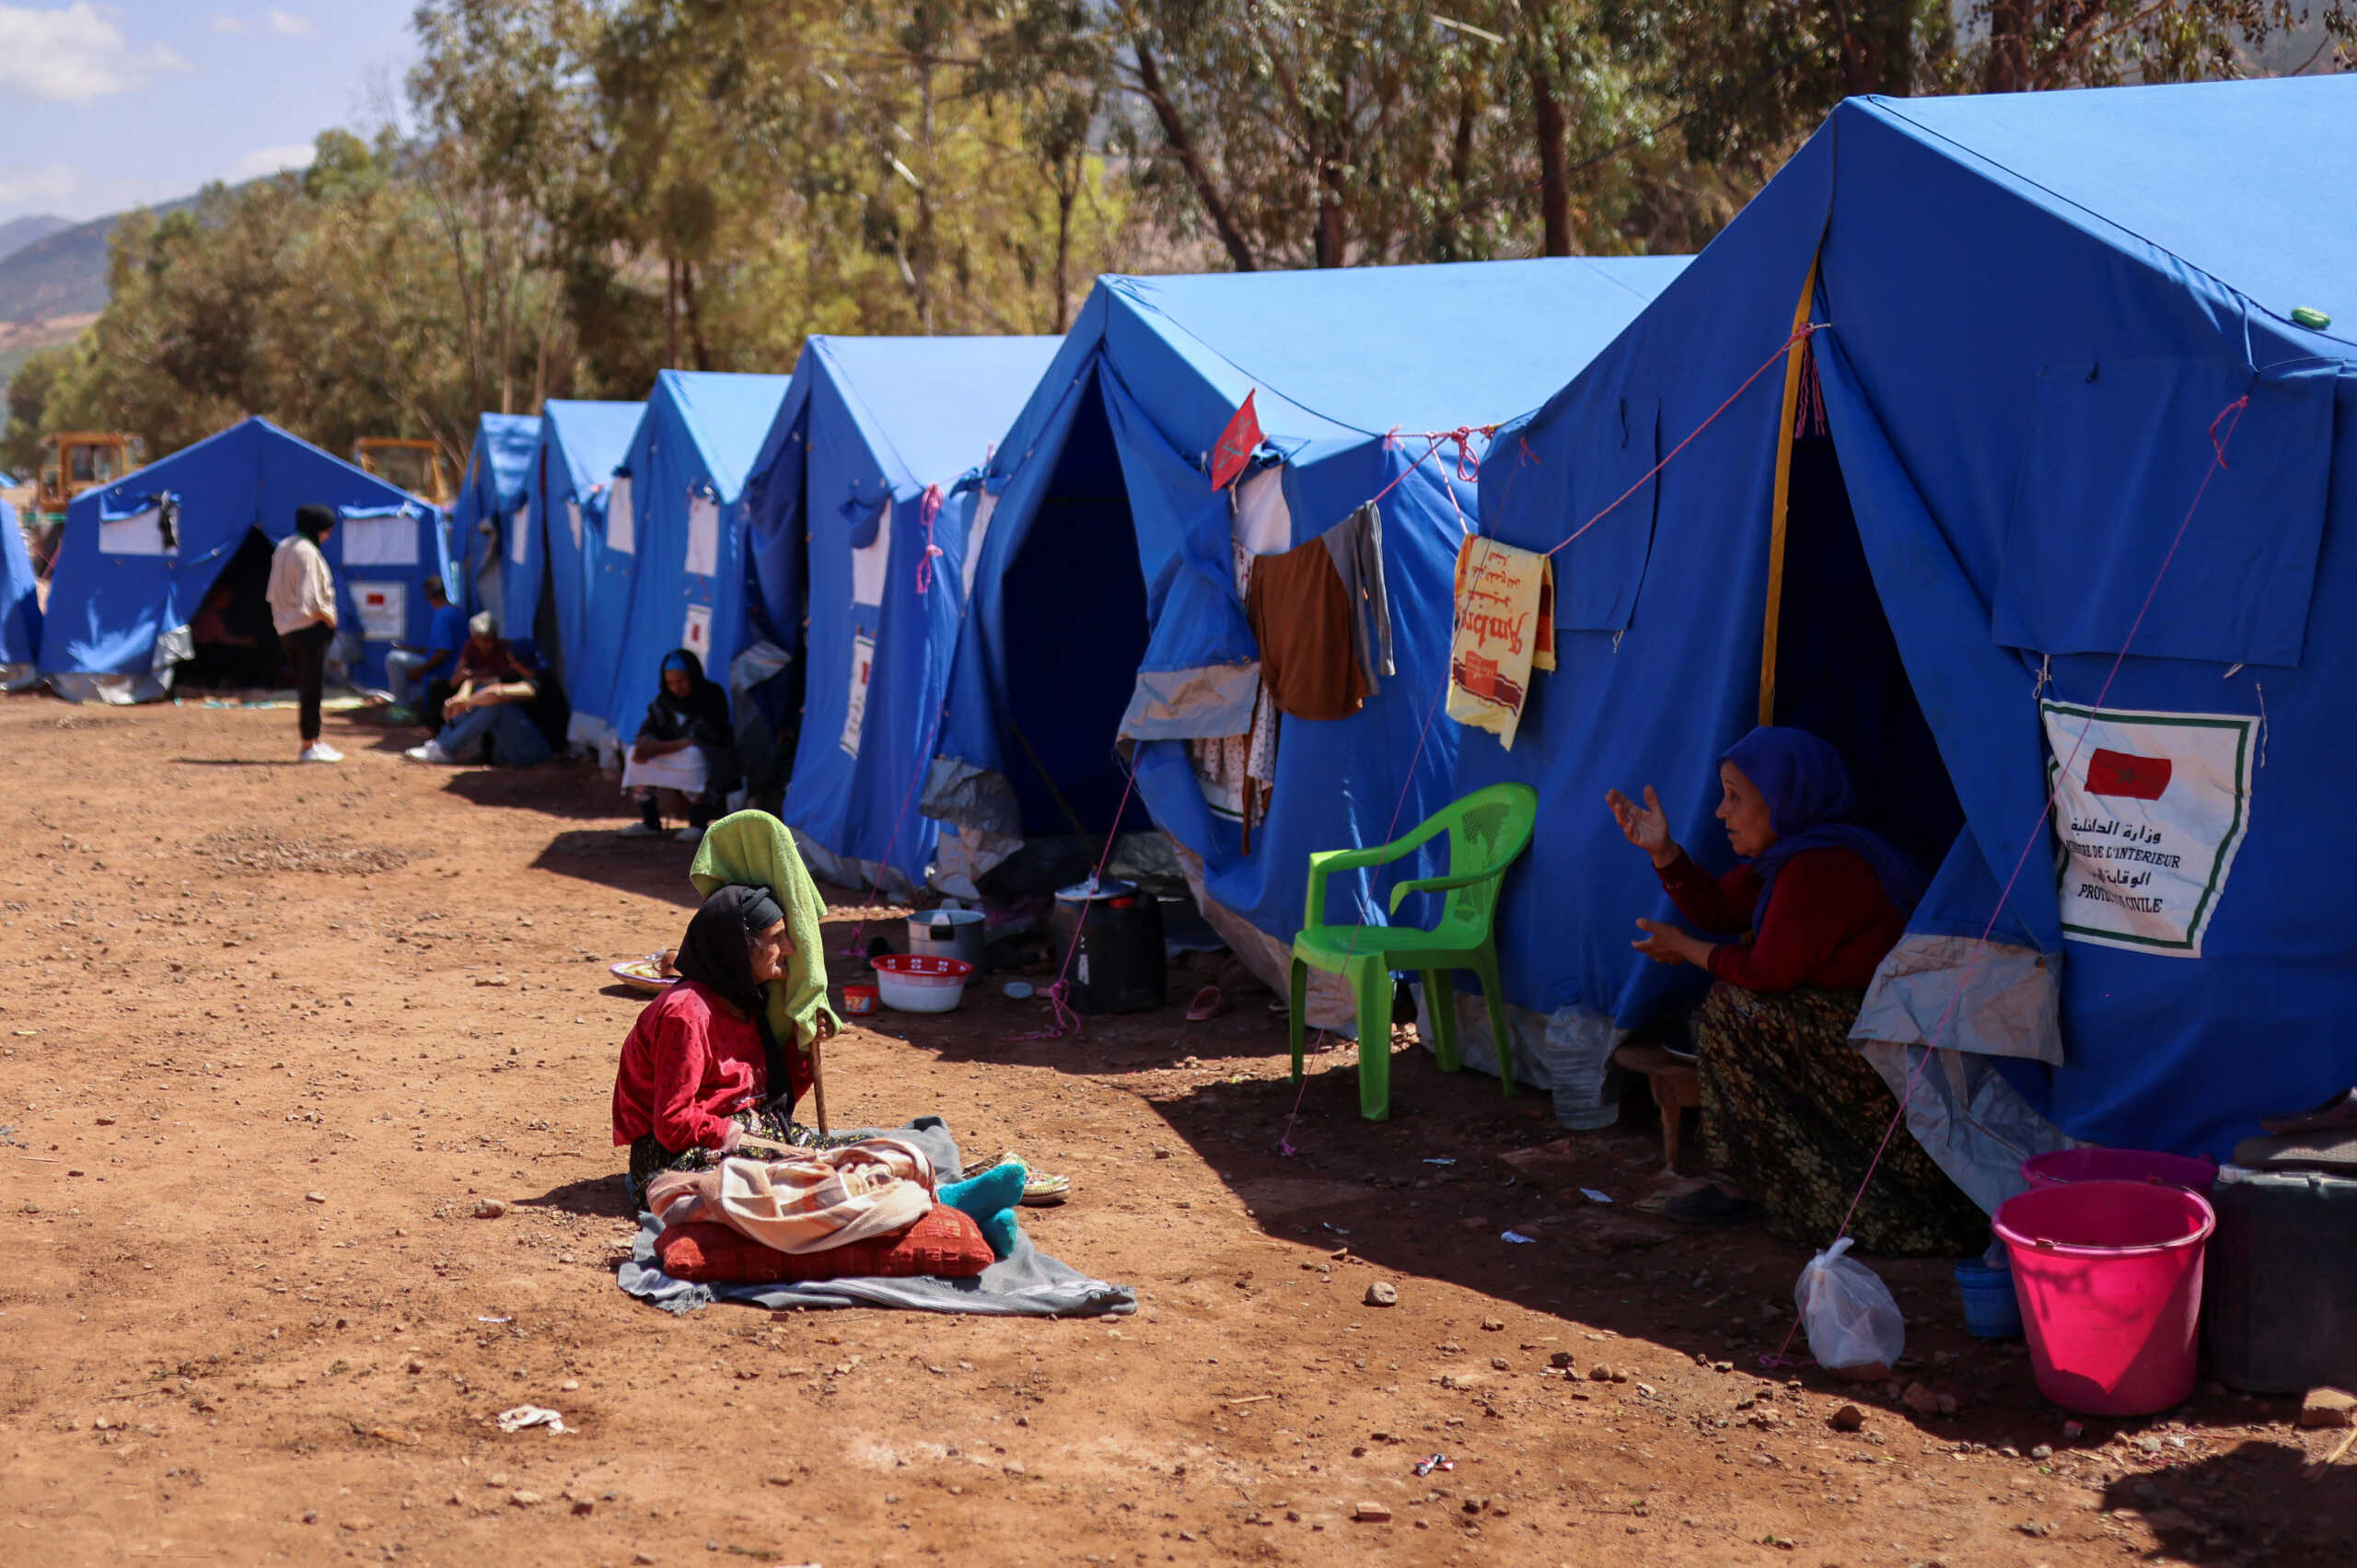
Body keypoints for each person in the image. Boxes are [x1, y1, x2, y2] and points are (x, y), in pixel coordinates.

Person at [1606, 726, 1985, 1254]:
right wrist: (1665, 852)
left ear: (1785, 799)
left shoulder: (1821, 868)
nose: (1721, 812)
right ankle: (1747, 1180)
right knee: (1730, 1007)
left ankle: (1760, 1186)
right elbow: (1719, 909)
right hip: (1846, 1027)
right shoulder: (1786, 859)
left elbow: (1768, 973)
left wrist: (1686, 948)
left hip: (1881, 1046)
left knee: (1733, 1007)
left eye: (1736, 797)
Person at [611, 883, 841, 1200]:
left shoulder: (747, 1002)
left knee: (852, 1163)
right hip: (676, 1155)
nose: (789, 948)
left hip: (744, 1133)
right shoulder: (686, 1015)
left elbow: (767, 1095)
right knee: (807, 1186)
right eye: (776, 938)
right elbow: (672, 1123)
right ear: (739, 949)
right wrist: (743, 1137)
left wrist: (804, 1044)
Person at [620, 648, 737, 843]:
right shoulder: (663, 702)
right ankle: (650, 823)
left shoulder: (711, 696)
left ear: (692, 675)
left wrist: (657, 748)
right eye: (670, 683)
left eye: (681, 681)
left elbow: (701, 737)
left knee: (693, 755)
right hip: (671, 751)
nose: (675, 688)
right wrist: (645, 744)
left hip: (711, 755)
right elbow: (648, 729)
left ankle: (698, 824)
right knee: (633, 753)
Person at [402, 612, 552, 766]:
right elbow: (477, 682)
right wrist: (461, 698)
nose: (491, 645)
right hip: (511, 746)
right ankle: (441, 744)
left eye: (512, 662)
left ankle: (445, 749)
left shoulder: (540, 681)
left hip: (539, 752)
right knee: (472, 694)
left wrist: (467, 703)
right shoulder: (515, 673)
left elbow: (498, 693)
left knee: (496, 705)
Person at [265, 504, 342, 763]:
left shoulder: (284, 546)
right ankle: (310, 744)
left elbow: (272, 593)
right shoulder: (307, 552)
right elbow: (310, 599)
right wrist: (329, 618)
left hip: (287, 629)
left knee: (306, 687)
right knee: (312, 688)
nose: (328, 535)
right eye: (327, 530)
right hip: (309, 630)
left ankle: (314, 741)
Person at [383, 576, 463, 726]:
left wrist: (421, 670)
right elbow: (438, 648)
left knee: (393, 658)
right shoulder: (455, 611)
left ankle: (402, 708)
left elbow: (443, 651)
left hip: (446, 671)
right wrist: (411, 650)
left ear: (428, 596)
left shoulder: (444, 615)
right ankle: (407, 704)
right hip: (453, 669)